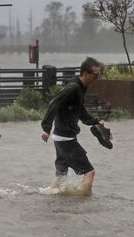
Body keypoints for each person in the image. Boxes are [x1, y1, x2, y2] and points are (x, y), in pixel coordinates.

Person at [40, 57, 106, 195]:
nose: (97, 78)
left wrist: (94, 121)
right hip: (66, 139)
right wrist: (46, 128)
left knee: (61, 175)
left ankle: (49, 197)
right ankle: (84, 204)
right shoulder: (74, 87)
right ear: (86, 73)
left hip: (61, 137)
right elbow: (54, 102)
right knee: (89, 172)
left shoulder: (80, 88)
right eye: (96, 75)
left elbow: (80, 110)